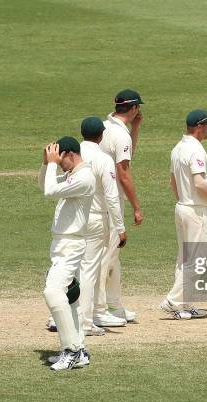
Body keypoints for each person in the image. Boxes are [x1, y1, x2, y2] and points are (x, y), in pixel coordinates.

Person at [159, 110, 207, 320]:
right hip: (196, 210)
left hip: (182, 207)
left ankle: (184, 305)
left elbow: (173, 181)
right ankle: (173, 300)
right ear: (199, 126)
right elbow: (199, 183)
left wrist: (183, 201)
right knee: (197, 260)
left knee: (184, 259)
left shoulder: (178, 148)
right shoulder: (196, 150)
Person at [38, 136, 96, 371]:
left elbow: (50, 192)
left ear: (70, 155)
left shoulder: (84, 177)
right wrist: (46, 164)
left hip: (71, 245)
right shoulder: (73, 174)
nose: (59, 166)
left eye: (61, 161)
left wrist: (53, 165)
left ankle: (71, 350)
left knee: (53, 292)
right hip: (61, 243)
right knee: (70, 296)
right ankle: (79, 350)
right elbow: (45, 185)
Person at [96, 89, 144, 326]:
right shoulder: (119, 135)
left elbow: (126, 154)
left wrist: (135, 129)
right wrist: (136, 206)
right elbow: (124, 173)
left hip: (100, 199)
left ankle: (114, 305)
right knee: (106, 257)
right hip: (110, 202)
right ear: (134, 109)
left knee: (113, 257)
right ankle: (100, 309)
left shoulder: (105, 128)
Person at [79, 117, 127, 335]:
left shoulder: (71, 154)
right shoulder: (103, 158)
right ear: (101, 137)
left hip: (73, 219)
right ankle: (87, 321)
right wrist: (120, 227)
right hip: (96, 219)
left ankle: (63, 316)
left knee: (73, 268)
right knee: (90, 271)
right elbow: (112, 196)